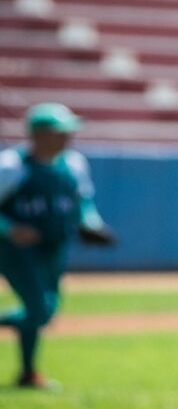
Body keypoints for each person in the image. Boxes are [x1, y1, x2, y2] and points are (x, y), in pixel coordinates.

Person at [0, 103, 115, 388]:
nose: (67, 138)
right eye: (59, 132)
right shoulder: (12, 166)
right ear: (38, 134)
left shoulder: (73, 163)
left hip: (55, 245)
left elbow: (83, 202)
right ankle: (28, 372)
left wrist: (91, 223)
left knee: (46, 311)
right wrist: (10, 229)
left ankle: (27, 374)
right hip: (16, 249)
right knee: (38, 308)